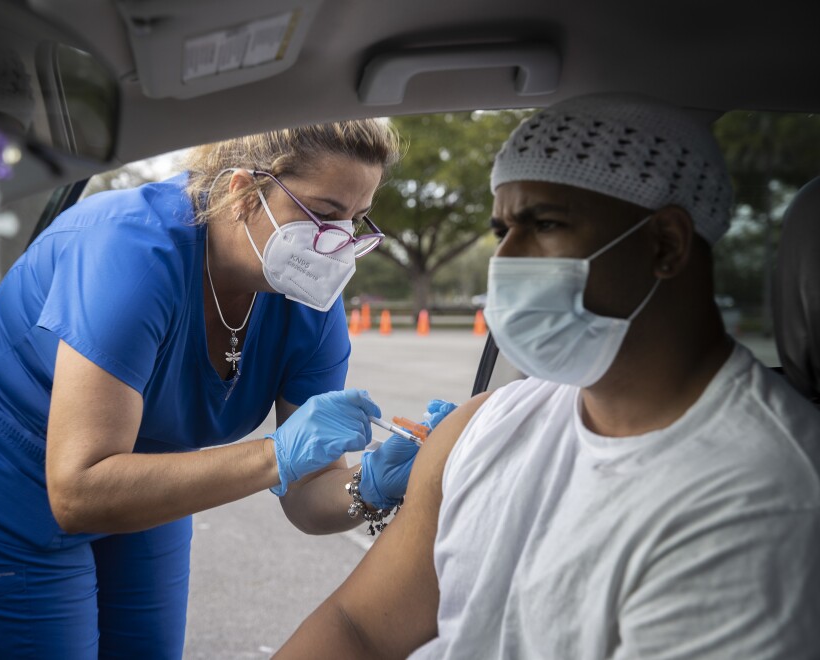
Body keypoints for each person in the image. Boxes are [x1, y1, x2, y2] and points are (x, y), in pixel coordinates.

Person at [276, 93, 820, 658]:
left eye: (546, 224)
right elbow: (357, 627)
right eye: (503, 228)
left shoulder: (762, 501)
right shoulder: (488, 425)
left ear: (666, 243)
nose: (506, 257)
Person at [0, 120, 436, 659]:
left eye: (355, 221)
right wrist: (276, 454)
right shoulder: (131, 253)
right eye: (323, 213)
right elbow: (79, 491)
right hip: (12, 479)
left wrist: (380, 483)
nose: (336, 245)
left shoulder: (307, 304)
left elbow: (308, 499)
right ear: (243, 192)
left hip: (150, 469)